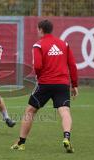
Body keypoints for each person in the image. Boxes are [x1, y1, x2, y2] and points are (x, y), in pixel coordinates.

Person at [11, 19, 78, 153]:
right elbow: (72, 65)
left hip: (45, 84)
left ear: (40, 29)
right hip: (62, 84)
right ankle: (66, 137)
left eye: (37, 29)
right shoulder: (64, 44)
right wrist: (74, 84)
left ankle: (21, 142)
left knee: (30, 111)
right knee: (64, 111)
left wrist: (40, 76)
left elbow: (37, 66)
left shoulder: (39, 45)